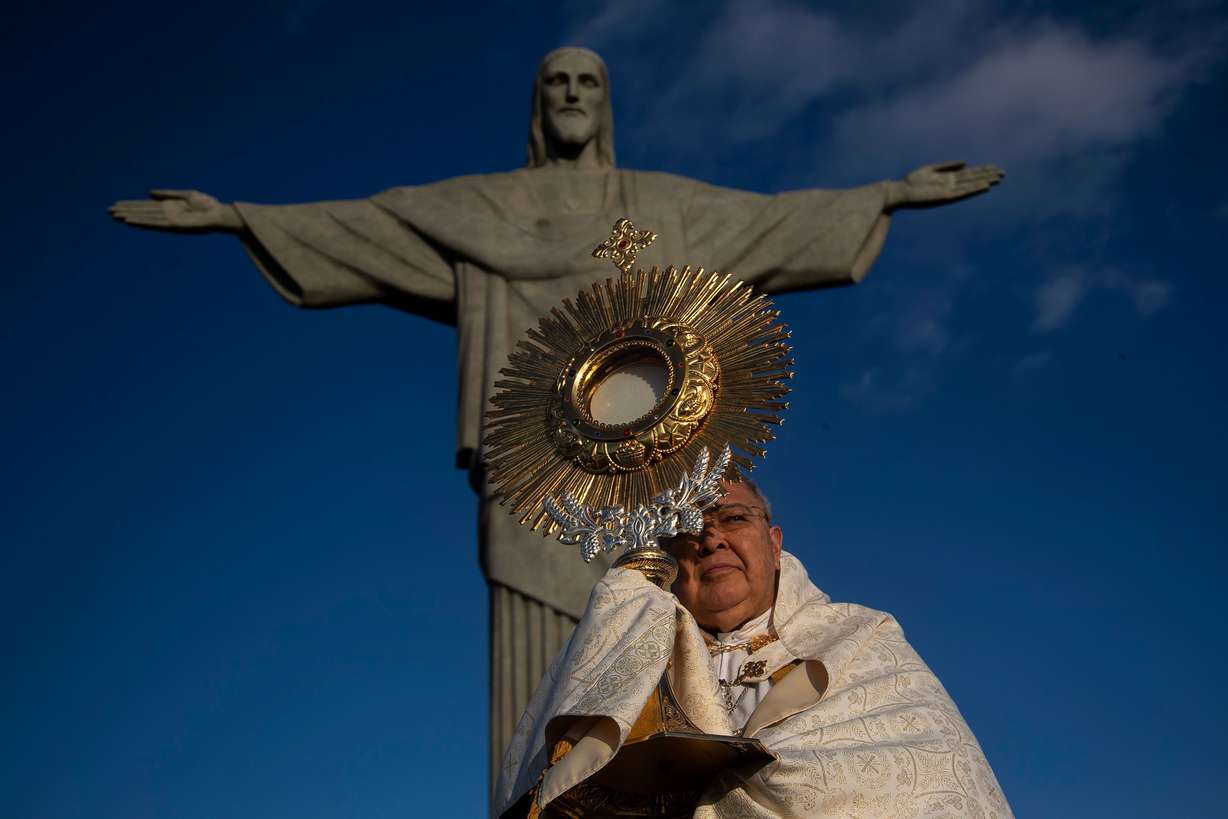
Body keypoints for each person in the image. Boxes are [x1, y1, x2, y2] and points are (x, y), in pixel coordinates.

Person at [108, 47, 1005, 774]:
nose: (572, 94)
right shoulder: (485, 207)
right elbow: (372, 228)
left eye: (588, 82)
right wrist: (237, 216)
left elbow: (772, 222)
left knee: (688, 621)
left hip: (659, 476)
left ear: (604, 104)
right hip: (538, 468)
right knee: (551, 655)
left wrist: (887, 193)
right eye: (557, 83)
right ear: (538, 106)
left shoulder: (663, 208)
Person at [495, 479, 1013, 818]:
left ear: (774, 540)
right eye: (687, 531)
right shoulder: (622, 658)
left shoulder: (860, 641)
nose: (711, 539)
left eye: (733, 519)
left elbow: (931, 793)